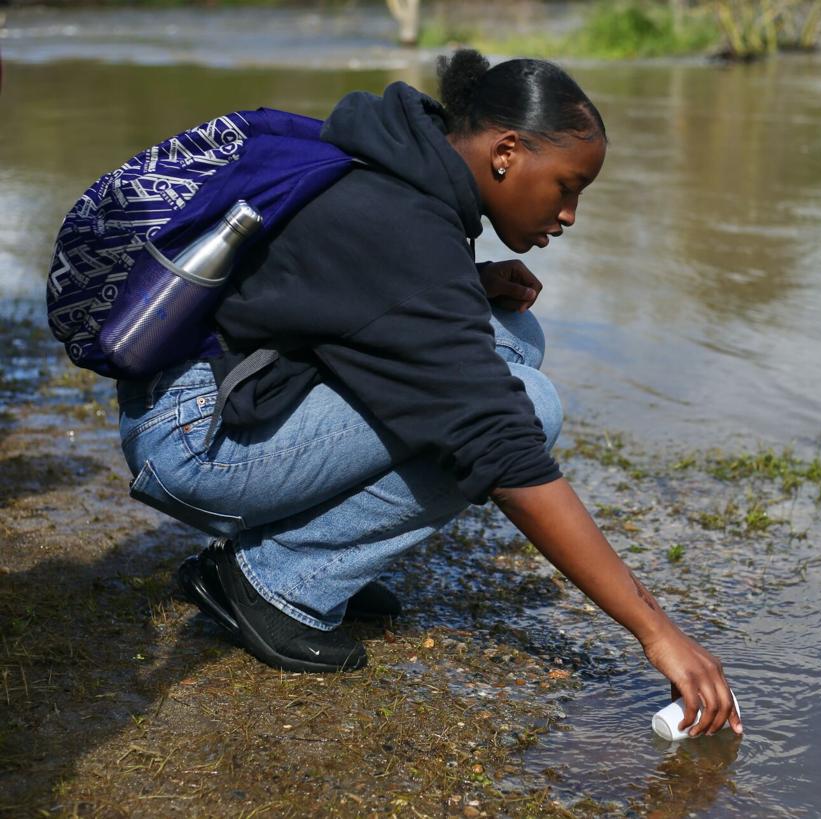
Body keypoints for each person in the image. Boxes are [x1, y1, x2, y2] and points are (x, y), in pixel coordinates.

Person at [116, 49, 741, 738]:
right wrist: (657, 631)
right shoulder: (399, 222)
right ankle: (273, 584)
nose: (569, 214)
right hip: (193, 440)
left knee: (511, 338)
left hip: (222, 394)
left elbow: (338, 293)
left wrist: (468, 285)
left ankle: (306, 553)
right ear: (506, 151)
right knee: (527, 407)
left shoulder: (399, 161)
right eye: (567, 185)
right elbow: (500, 445)